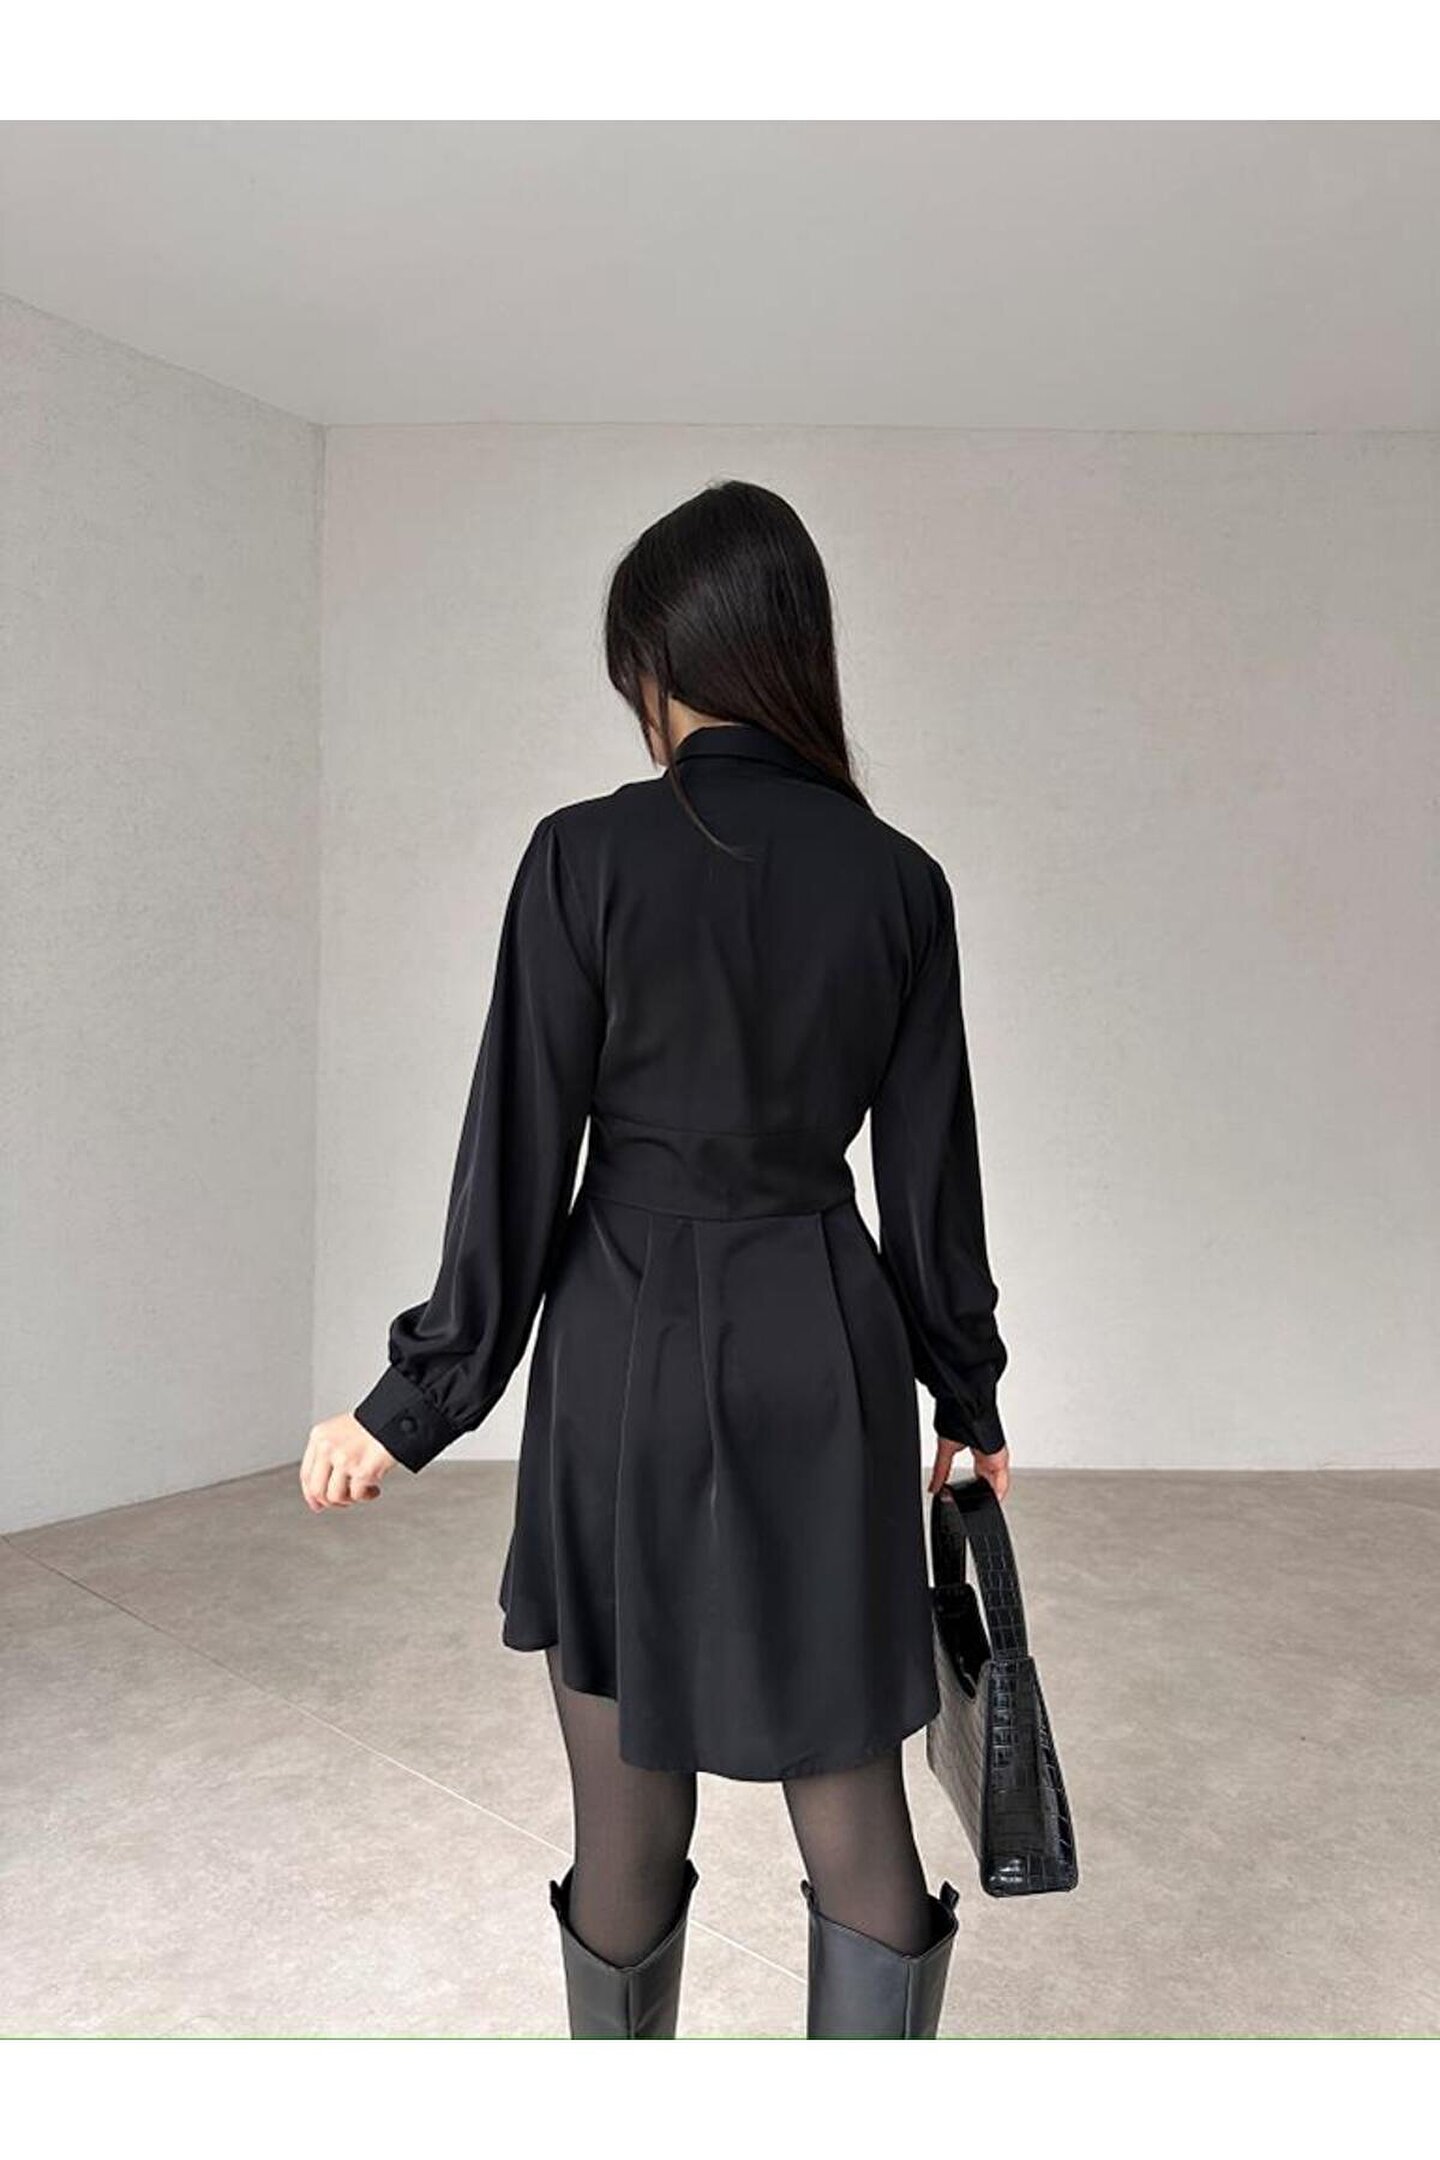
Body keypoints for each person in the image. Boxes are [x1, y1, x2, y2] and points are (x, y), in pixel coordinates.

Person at [300, 478, 1013, 2041]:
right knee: (855, 1800)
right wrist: (968, 1394)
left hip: (622, 1350)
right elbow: (929, 1183)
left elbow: (517, 1153)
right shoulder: (899, 881)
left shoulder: (582, 857)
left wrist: (413, 1403)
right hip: (821, 1346)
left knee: (623, 1822)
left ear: (655, 663)